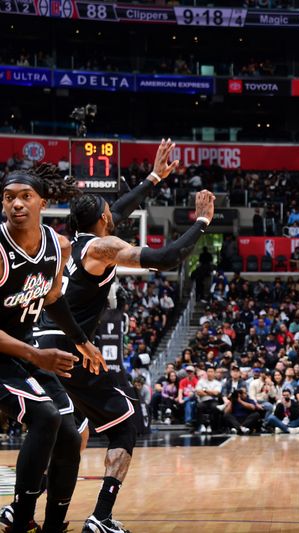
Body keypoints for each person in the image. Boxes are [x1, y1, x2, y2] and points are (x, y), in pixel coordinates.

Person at [33, 141, 215, 533]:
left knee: (68, 429)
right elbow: (167, 258)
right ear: (102, 219)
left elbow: (120, 208)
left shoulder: (74, 242)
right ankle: (100, 515)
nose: (113, 215)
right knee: (125, 423)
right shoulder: (102, 246)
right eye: (108, 212)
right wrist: (201, 222)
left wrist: (154, 177)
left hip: (39, 343)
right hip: (69, 347)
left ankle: (24, 504)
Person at [0, 164, 106, 533]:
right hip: (6, 354)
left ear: (42, 202)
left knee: (70, 434)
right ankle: (21, 517)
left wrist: (82, 340)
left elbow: (55, 298)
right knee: (44, 417)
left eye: (25, 196)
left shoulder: (57, 246)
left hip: (23, 350)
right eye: (9, 197)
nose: (17, 204)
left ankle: (55, 524)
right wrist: (35, 355)